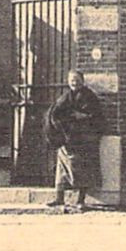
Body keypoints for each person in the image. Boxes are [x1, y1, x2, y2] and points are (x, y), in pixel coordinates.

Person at [45, 69, 103, 210]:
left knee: (82, 170)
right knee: (62, 170)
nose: (74, 82)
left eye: (77, 80)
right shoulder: (66, 97)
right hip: (68, 139)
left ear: (82, 81)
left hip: (84, 140)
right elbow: (55, 112)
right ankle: (59, 198)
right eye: (71, 80)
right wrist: (61, 126)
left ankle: (80, 200)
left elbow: (96, 116)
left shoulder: (89, 96)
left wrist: (81, 116)